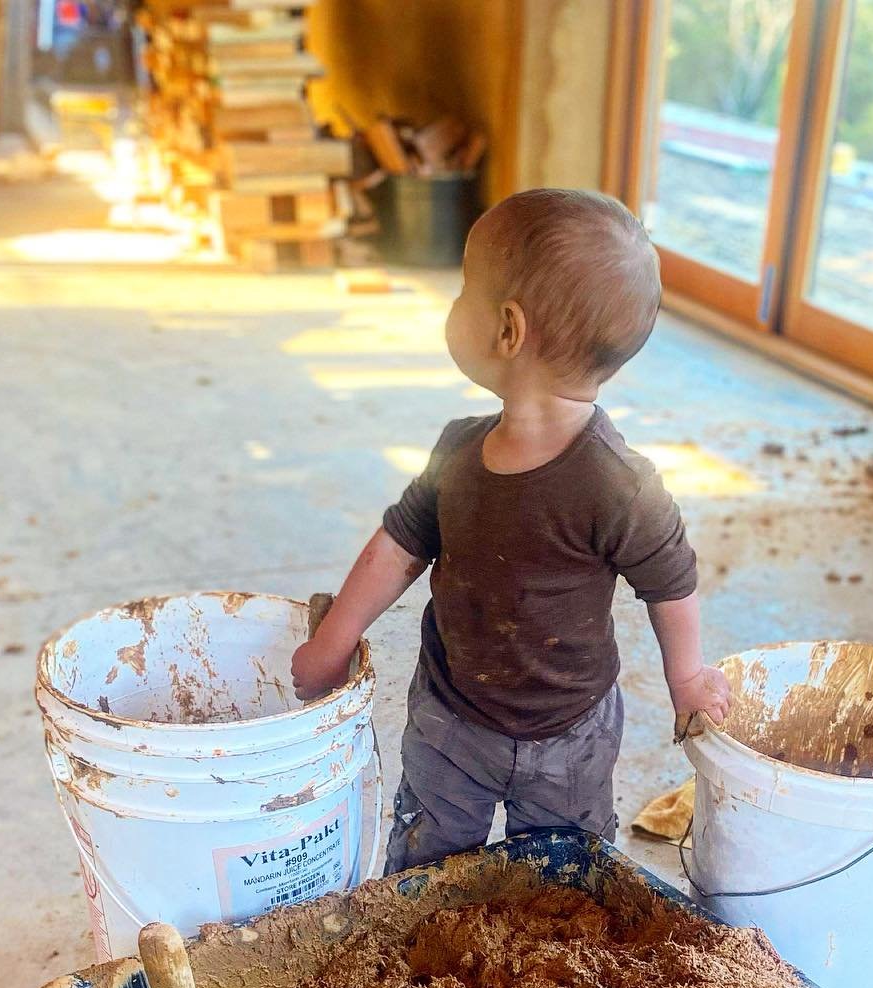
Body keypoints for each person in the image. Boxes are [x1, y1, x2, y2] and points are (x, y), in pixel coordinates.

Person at [291, 186, 730, 874]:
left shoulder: (619, 482)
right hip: (451, 719)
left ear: (506, 330)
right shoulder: (458, 453)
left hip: (571, 736)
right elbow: (397, 548)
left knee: (561, 879)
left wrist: (688, 679)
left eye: (464, 288)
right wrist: (334, 640)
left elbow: (670, 580)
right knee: (424, 868)